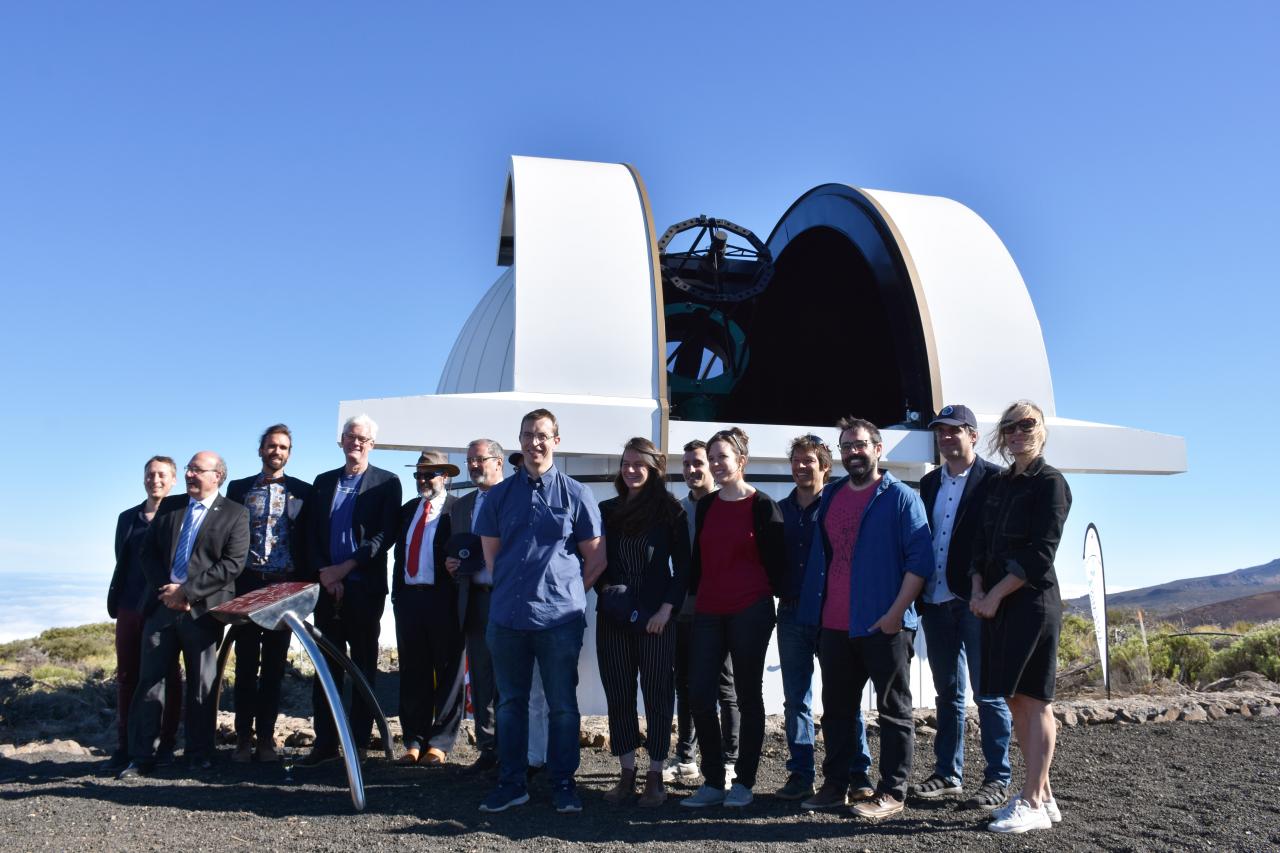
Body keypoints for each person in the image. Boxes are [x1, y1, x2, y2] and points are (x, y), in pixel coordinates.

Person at [796, 417, 932, 820]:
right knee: (837, 710)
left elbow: (920, 563)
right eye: (846, 446)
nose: (853, 452)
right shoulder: (832, 496)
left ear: (878, 448)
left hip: (884, 626)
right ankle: (837, 785)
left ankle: (892, 791)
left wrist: (894, 616)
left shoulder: (902, 498)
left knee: (893, 711)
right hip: (835, 625)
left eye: (860, 445)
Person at [475, 408, 604, 814]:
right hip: (508, 621)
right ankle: (512, 783)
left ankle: (563, 783)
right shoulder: (498, 497)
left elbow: (595, 559)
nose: (535, 442)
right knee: (511, 704)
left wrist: (566, 594)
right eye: (528, 434)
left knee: (562, 705)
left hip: (559, 622)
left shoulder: (576, 494)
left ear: (556, 441)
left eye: (543, 435)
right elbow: (492, 558)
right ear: (520, 440)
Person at [971, 401, 1072, 834]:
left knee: (1034, 700)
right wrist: (979, 589)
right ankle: (1043, 795)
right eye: (1009, 426)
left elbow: (1040, 553)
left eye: (1026, 424)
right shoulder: (998, 484)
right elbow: (980, 542)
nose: (1016, 432)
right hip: (997, 602)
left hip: (1031, 603)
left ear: (1042, 429)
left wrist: (994, 594)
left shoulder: (1050, 483)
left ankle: (1031, 801)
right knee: (1015, 701)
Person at [118, 452, 250, 778]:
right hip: (161, 609)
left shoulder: (235, 513)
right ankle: (141, 757)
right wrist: (167, 590)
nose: (190, 474)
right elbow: (147, 553)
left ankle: (198, 755)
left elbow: (232, 564)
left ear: (217, 476)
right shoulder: (173, 506)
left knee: (201, 686)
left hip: (202, 613)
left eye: (197, 470)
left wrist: (187, 593)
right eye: (189, 469)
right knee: (150, 683)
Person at [909, 404, 1012, 809]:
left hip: (975, 600)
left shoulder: (995, 481)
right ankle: (948, 775)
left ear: (973, 434)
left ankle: (996, 779)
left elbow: (998, 542)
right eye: (941, 432)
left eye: (954, 431)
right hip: (935, 601)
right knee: (947, 694)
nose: (947, 438)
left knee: (989, 694)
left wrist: (985, 588)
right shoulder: (931, 482)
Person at [679, 427, 785, 809]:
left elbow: (778, 563)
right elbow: (699, 561)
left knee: (746, 695)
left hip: (749, 610)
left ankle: (744, 781)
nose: (716, 464)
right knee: (700, 694)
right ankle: (712, 780)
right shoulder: (706, 505)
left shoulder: (763, 505)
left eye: (722, 457)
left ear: (741, 461)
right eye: (713, 458)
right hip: (708, 608)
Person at [298, 413, 402, 766]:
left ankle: (357, 742)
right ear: (341, 441)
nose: (356, 443)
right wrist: (326, 575)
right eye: (350, 437)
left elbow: (384, 536)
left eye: (363, 439)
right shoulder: (323, 482)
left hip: (365, 588)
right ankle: (325, 741)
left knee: (362, 666)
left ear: (372, 444)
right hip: (327, 589)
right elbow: (311, 532)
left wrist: (346, 568)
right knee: (326, 667)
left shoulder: (387, 483)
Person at [776, 435, 872, 803]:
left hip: (832, 611)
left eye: (809, 461)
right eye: (796, 460)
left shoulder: (837, 504)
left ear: (825, 467)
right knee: (795, 700)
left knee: (843, 698)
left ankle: (856, 772)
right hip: (790, 612)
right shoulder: (781, 509)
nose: (801, 467)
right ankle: (801, 774)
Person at [596, 437, 689, 808]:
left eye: (639, 464)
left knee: (657, 693)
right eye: (626, 463)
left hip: (656, 618)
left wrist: (666, 610)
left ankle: (655, 774)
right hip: (615, 617)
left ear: (654, 469)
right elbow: (596, 560)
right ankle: (626, 773)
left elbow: (683, 568)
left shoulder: (671, 511)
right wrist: (607, 595)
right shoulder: (607, 509)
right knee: (618, 692)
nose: (631, 470)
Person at [225, 424, 312, 764]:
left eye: (284, 447)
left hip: (283, 588)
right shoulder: (239, 489)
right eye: (272, 446)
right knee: (245, 665)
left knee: (274, 667)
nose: (277, 452)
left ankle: (266, 740)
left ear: (289, 453)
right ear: (260, 450)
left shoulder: (303, 491)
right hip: (248, 583)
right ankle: (242, 739)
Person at [666, 439, 740, 787]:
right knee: (685, 684)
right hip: (684, 609)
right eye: (687, 464)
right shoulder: (677, 509)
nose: (692, 470)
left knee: (725, 686)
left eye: (698, 463)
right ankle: (686, 758)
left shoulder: (723, 505)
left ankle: (730, 760)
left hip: (720, 607)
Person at [106, 456, 183, 770]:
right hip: (128, 605)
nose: (156, 480)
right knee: (127, 677)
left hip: (164, 607)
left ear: (173, 480)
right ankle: (126, 745)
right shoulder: (128, 517)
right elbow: (121, 560)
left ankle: (166, 744)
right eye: (150, 474)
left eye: (162, 475)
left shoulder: (181, 515)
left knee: (169, 678)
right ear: (143, 479)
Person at [392, 449, 463, 765]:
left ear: (444, 476)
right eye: (418, 475)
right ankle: (413, 740)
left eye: (429, 474)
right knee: (412, 671)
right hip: (409, 599)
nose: (422, 480)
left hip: (443, 600)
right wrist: (397, 596)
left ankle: (440, 743)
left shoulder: (457, 510)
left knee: (448, 671)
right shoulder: (408, 510)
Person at [444, 438, 506, 772]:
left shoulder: (515, 498)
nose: (472, 465)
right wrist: (451, 566)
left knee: (509, 678)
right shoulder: (461, 507)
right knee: (481, 678)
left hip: (508, 601)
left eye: (479, 459)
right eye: (469, 460)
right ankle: (488, 748)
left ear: (498, 462)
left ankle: (514, 748)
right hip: (475, 603)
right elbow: (458, 553)